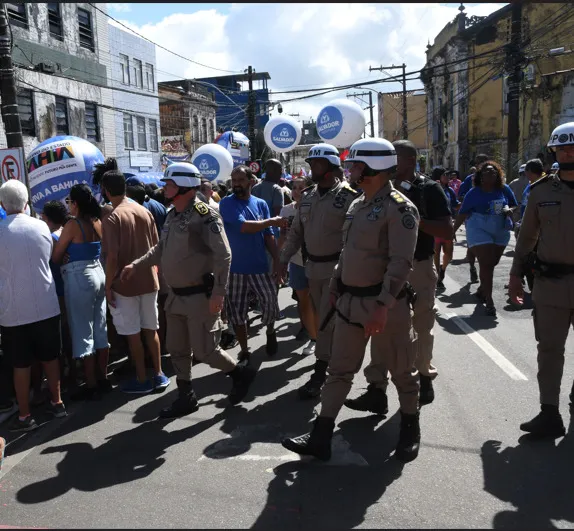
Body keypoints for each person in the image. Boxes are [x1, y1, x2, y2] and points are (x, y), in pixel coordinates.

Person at [282, 138, 421, 463]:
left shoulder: (400, 208)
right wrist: (335, 286)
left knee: (402, 370)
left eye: (356, 164)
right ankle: (321, 436)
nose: (351, 170)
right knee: (340, 370)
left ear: (374, 167)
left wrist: (383, 305)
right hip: (349, 303)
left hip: (386, 307)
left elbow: (401, 263)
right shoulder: (359, 205)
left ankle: (410, 428)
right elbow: (347, 253)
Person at [121, 162, 257, 417]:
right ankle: (186, 397)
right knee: (178, 350)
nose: (165, 188)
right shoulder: (173, 215)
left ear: (183, 187)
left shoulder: (204, 215)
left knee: (206, 351)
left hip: (200, 297)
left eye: (169, 184)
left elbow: (224, 255)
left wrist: (218, 293)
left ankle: (239, 374)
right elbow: (161, 250)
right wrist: (136, 265)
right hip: (176, 297)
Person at [345, 140, 452, 412]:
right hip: (383, 271)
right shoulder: (371, 192)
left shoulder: (428, 189)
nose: (391, 163)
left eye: (397, 158)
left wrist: (416, 220)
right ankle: (376, 389)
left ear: (412, 161)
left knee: (421, 326)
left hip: (418, 266)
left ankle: (423, 376)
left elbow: (447, 231)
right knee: (379, 328)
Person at [279, 143, 361, 399]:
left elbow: (357, 239)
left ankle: (322, 372)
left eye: (317, 164)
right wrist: (282, 260)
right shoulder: (308, 197)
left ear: (331, 167)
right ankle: (333, 367)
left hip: (338, 270)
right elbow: (296, 233)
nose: (312, 168)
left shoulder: (349, 196)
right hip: (311, 268)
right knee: (322, 319)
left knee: (327, 323)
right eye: (311, 164)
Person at [509, 122, 574, 438]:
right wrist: (515, 274)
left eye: (572, 147)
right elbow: (527, 236)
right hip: (550, 282)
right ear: (554, 152)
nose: (568, 153)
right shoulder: (541, 191)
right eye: (562, 148)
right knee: (549, 349)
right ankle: (549, 412)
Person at [0, 180, 66, 432]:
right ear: (26, 202)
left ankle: (25, 415)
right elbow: (49, 256)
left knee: (20, 364)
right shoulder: (41, 227)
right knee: (51, 357)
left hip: (12, 309)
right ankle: (57, 402)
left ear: (3, 205)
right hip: (46, 303)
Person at [101, 170, 170, 394]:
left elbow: (112, 257)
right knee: (151, 329)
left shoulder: (113, 217)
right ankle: (158, 374)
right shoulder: (143, 211)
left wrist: (108, 285)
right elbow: (157, 246)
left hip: (125, 284)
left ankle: (141, 378)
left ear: (106, 190)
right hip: (149, 279)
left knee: (133, 334)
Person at [219, 166, 287, 363]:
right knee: (237, 313)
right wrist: (272, 221)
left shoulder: (260, 204)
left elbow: (269, 237)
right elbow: (244, 227)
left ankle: (271, 330)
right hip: (235, 270)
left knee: (270, 304)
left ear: (251, 181)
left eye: (240, 179)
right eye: (234, 179)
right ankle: (245, 350)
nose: (236, 183)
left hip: (260, 267)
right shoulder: (227, 203)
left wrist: (277, 260)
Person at [51, 185, 110, 400]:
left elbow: (56, 256)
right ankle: (102, 378)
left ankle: (91, 383)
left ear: (74, 203)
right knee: (100, 328)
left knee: (83, 331)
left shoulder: (73, 224)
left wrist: (65, 254)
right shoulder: (96, 222)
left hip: (79, 277)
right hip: (98, 272)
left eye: (69, 202)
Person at [453, 161, 518, 316]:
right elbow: (462, 213)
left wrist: (510, 209)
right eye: (488, 172)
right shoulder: (473, 193)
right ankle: (489, 301)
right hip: (478, 226)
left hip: (500, 227)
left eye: (494, 172)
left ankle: (482, 290)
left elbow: (515, 205)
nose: (491, 174)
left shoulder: (504, 189)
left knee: (492, 263)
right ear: (481, 176)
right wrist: (452, 231)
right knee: (486, 263)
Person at [278, 176, 318, 357]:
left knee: (318, 301)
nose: (297, 191)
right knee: (304, 301)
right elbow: (282, 237)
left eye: (301, 187)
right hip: (296, 262)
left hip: (317, 261)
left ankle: (324, 337)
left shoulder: (317, 207)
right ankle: (314, 337)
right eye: (294, 187)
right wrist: (279, 261)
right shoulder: (285, 211)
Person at [41, 201, 74, 388]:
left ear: (47, 217)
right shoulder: (65, 232)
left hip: (58, 292)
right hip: (68, 287)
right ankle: (72, 370)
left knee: (62, 334)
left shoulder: (52, 237)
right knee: (70, 331)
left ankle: (65, 373)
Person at [458, 155, 490, 284]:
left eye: (484, 162)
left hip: (492, 218)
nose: (482, 165)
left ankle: (485, 281)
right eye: (480, 163)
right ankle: (472, 267)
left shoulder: (496, 179)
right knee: (473, 245)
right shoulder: (469, 179)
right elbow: (461, 196)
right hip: (473, 218)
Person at [431, 167, 460, 291]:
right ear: (438, 176)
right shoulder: (430, 189)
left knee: (449, 254)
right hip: (435, 225)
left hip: (448, 225)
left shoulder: (450, 190)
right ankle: (437, 278)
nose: (448, 177)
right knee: (436, 253)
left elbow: (455, 204)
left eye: (448, 174)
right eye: (445, 174)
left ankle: (442, 270)